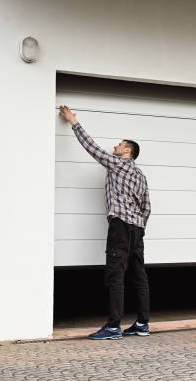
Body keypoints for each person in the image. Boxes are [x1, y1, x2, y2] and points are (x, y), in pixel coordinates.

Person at [59, 105, 152, 340]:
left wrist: (73, 121)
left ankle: (113, 327)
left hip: (121, 226)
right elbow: (147, 206)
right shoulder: (140, 174)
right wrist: (139, 227)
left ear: (127, 150)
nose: (115, 147)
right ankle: (142, 323)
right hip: (137, 228)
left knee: (115, 275)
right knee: (138, 275)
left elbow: (92, 148)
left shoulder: (117, 163)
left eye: (119, 144)